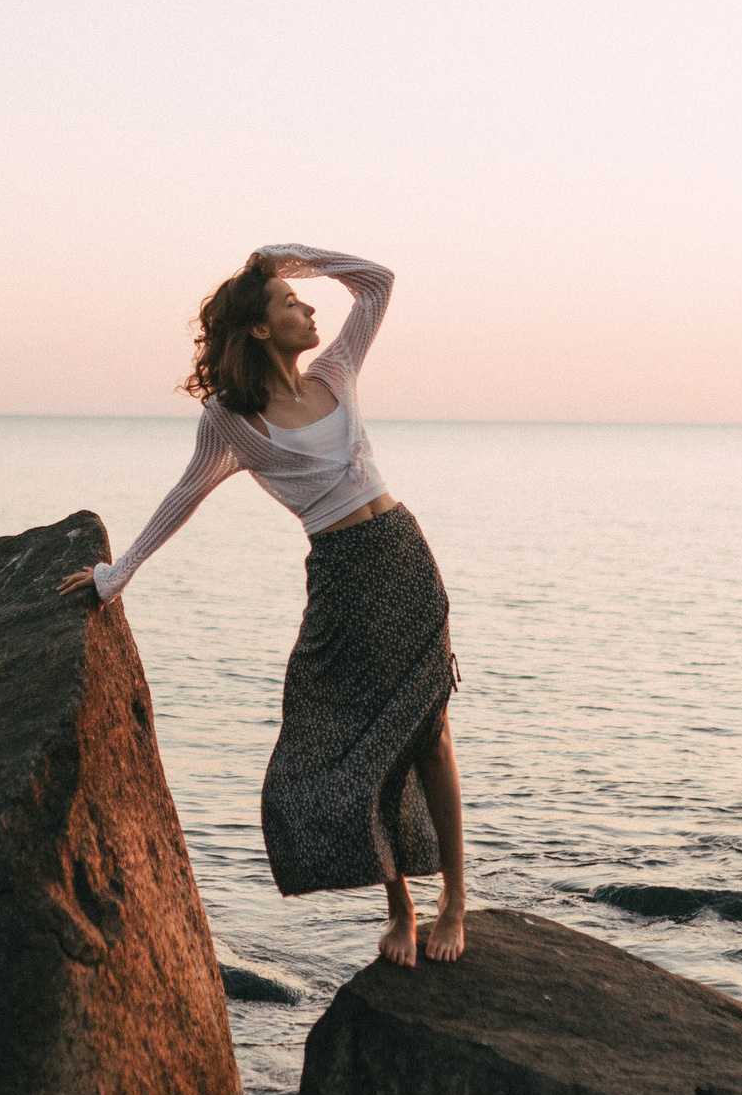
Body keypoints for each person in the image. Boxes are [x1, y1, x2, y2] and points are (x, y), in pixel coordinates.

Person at [57, 245, 467, 965]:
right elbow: (185, 494)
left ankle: (454, 902)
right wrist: (115, 574)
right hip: (341, 577)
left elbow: (378, 283)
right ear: (258, 329)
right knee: (343, 742)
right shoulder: (232, 420)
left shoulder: (335, 371)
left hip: (403, 555)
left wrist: (292, 259)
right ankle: (400, 904)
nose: (309, 308)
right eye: (289, 302)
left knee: (429, 731)